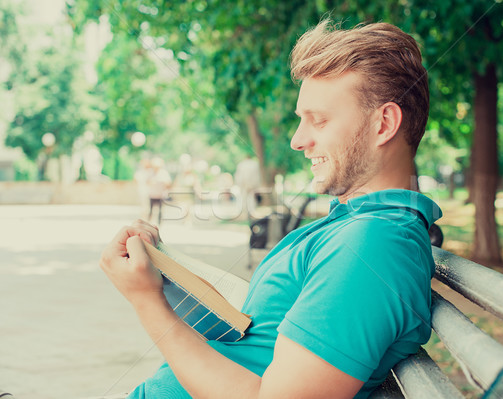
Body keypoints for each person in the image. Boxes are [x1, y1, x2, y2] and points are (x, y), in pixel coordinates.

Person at [100, 19, 441, 399]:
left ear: (384, 124)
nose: (299, 141)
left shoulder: (375, 243)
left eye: (319, 120)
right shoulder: (356, 227)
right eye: (301, 120)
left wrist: (147, 300)